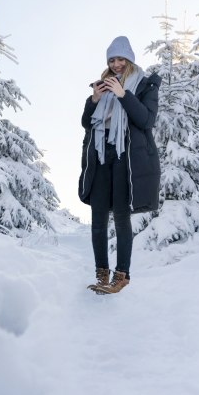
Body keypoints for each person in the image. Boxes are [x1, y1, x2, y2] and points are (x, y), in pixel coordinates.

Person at [78, 36, 161, 294]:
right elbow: (86, 123)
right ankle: (101, 274)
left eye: (120, 59)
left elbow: (145, 120)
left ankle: (121, 275)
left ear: (130, 60)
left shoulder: (144, 85)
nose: (116, 64)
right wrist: (94, 99)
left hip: (127, 156)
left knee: (122, 217)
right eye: (112, 60)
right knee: (99, 217)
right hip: (102, 155)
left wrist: (123, 95)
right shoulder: (102, 86)